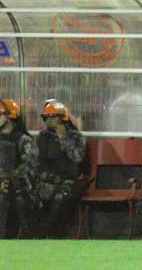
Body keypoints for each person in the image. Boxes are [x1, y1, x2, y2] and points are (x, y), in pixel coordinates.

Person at [15, 100, 88, 238]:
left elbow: (77, 158)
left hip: (67, 183)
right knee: (21, 197)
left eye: (52, 117)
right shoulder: (41, 137)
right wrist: (27, 178)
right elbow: (32, 162)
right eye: (46, 117)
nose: (48, 120)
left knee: (60, 198)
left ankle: (48, 234)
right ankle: (32, 235)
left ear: (62, 118)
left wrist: (63, 138)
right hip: (44, 183)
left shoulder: (76, 137)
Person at [0, 99, 30, 238]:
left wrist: (12, 175)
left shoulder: (23, 139)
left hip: (15, 185)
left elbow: (30, 165)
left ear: (10, 116)